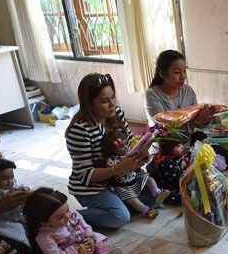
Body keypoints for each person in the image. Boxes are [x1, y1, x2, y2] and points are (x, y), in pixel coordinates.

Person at [66, 73, 159, 228]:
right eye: (104, 101)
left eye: (113, 97)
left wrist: (139, 156)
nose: (112, 104)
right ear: (89, 103)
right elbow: (85, 175)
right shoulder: (79, 130)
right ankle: (68, 216)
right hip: (92, 187)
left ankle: (116, 204)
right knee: (120, 217)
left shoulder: (118, 114)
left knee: (158, 196)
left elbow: (128, 147)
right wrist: (120, 167)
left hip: (118, 180)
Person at [24, 187, 123, 254]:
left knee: (96, 235)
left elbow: (85, 227)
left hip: (81, 243)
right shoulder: (44, 236)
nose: (68, 216)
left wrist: (89, 236)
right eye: (60, 218)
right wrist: (77, 251)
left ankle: (100, 252)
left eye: (67, 210)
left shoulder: (72, 213)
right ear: (43, 222)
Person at [99, 128, 170, 219]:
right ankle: (146, 211)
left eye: (125, 144)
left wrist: (141, 159)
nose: (125, 147)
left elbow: (136, 165)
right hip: (124, 186)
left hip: (135, 178)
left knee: (149, 179)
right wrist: (122, 164)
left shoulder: (128, 153)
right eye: (121, 146)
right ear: (113, 150)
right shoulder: (111, 160)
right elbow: (114, 172)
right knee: (133, 200)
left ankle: (157, 193)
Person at [144, 50, 215, 131]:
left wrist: (205, 119)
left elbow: (197, 126)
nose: (183, 76)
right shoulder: (152, 95)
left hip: (189, 141)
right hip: (165, 143)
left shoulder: (188, 91)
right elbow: (164, 131)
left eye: (184, 71)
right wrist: (195, 121)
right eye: (177, 72)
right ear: (162, 74)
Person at [150, 133, 193, 205]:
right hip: (170, 187)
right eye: (178, 146)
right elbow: (179, 177)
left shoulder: (175, 155)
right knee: (184, 197)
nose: (182, 147)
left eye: (181, 144)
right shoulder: (167, 162)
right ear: (169, 149)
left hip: (178, 182)